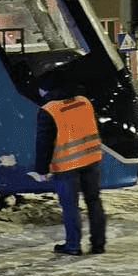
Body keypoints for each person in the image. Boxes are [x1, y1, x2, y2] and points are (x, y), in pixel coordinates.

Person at [31, 83, 106, 255]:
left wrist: (41, 170)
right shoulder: (83, 101)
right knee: (94, 202)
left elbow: (44, 143)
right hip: (91, 159)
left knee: (70, 206)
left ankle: (73, 246)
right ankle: (98, 244)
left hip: (66, 165)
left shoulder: (49, 110)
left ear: (44, 90)